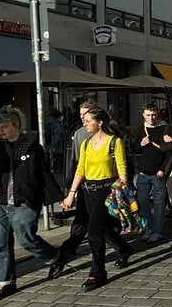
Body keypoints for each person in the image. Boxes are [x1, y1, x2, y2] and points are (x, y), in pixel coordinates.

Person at [0, 106, 62, 300]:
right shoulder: (0, 147)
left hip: (25, 201)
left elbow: (41, 173)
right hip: (2, 201)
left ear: (16, 125)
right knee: (1, 243)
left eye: (4, 126)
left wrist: (56, 196)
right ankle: (5, 283)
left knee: (27, 239)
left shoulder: (32, 146)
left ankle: (54, 257)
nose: (0, 130)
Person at [52, 102, 134, 275]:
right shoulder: (86, 144)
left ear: (100, 122)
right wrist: (71, 194)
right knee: (102, 228)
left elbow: (122, 167)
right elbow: (80, 169)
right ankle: (124, 249)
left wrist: (124, 189)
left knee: (94, 230)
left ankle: (97, 272)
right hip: (88, 191)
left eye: (88, 120)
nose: (84, 123)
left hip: (107, 190)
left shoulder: (114, 142)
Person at [133, 103, 172, 244]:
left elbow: (169, 152)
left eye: (153, 115)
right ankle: (148, 228)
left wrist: (163, 169)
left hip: (158, 173)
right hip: (143, 172)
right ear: (143, 115)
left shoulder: (165, 128)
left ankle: (157, 231)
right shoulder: (140, 129)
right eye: (148, 115)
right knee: (143, 202)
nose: (151, 118)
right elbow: (136, 149)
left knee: (158, 204)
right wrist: (141, 144)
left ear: (157, 115)